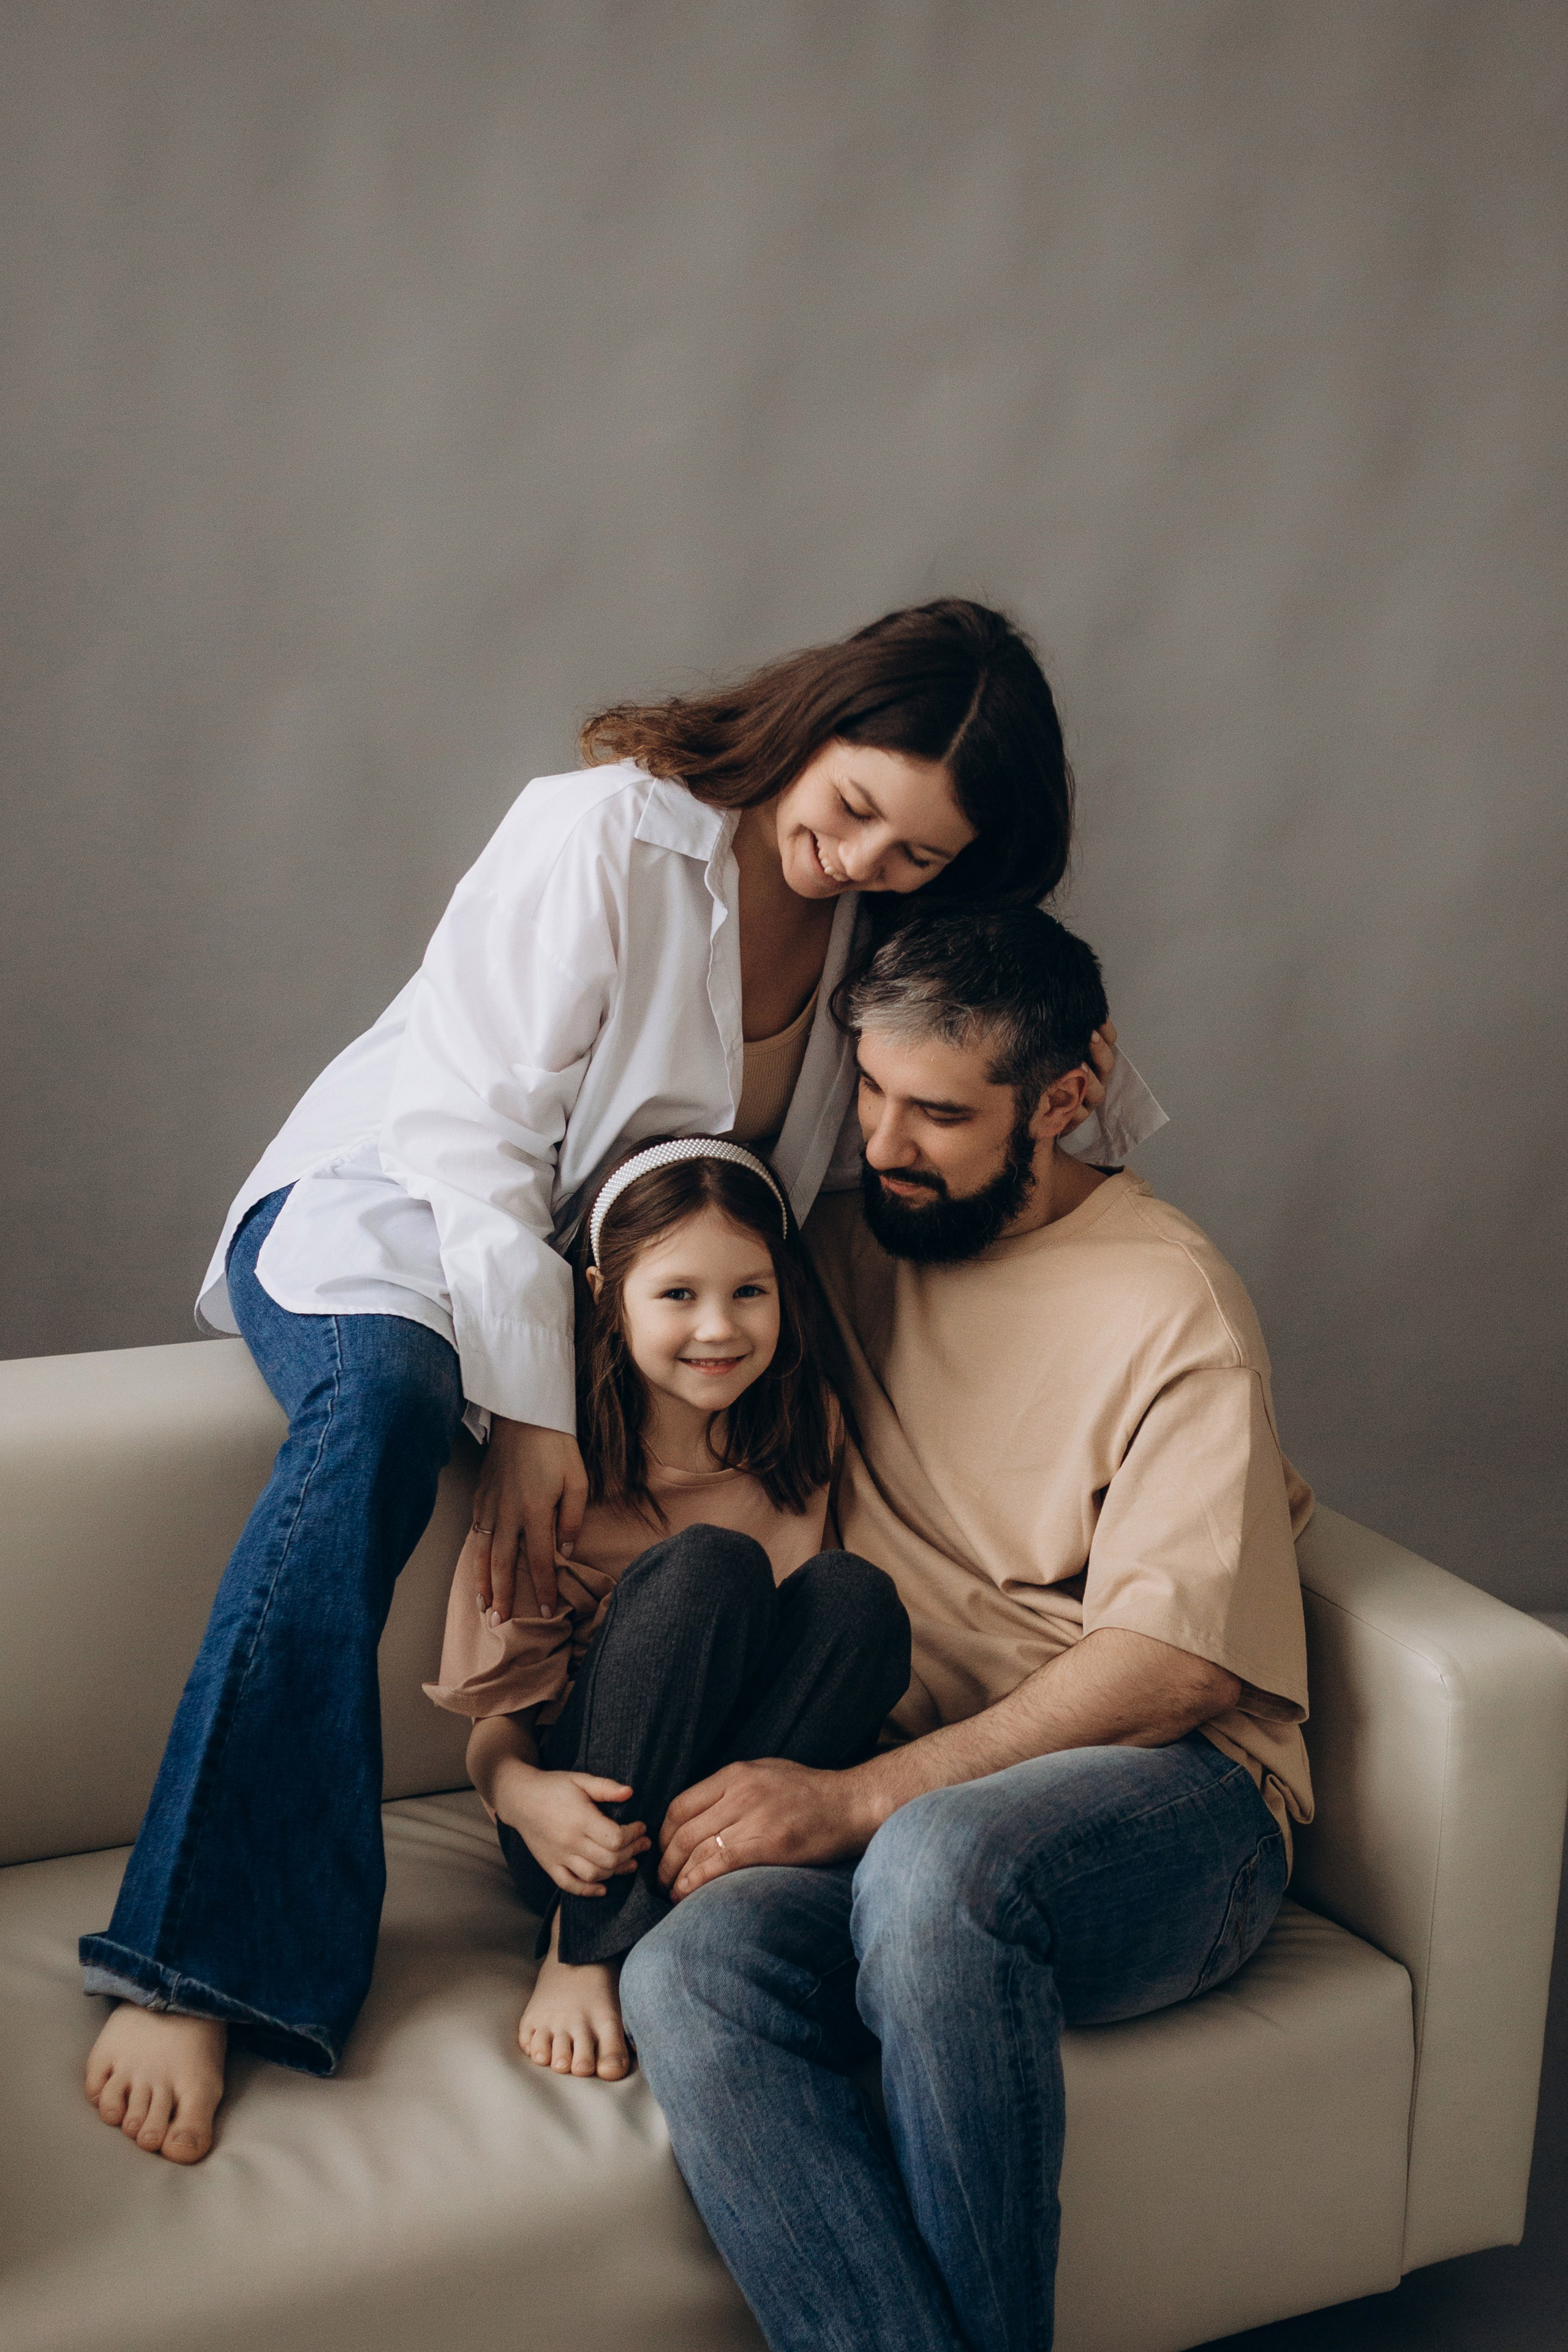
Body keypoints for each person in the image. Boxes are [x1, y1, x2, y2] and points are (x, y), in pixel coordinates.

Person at [82, 598, 1161, 2164]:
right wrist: (529, 1412)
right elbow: (470, 1135)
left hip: (629, 1306)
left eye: (915, 856)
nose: (860, 862)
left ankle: (649, 1915)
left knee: (796, 1594)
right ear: (813, 722)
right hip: (401, 1222)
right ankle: (194, 1967)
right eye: (853, 809)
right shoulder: (604, 836)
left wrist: (1094, 1104)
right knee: (380, 1408)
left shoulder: (884, 934)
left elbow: (1016, 1052)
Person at [618, 905, 1313, 2352]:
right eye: (867, 1091)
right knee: (689, 1968)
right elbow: (637, 1295)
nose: (879, 1142)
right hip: (914, 1819)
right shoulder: (847, 1234)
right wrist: (520, 1441)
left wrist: (857, 1795)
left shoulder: (1168, 1296)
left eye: (937, 1112)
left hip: (1172, 1815)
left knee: (938, 1858)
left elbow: (1179, 1665)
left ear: (1065, 1099)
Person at [425, 1137, 910, 2082]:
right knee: (709, 1571)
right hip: (577, 1825)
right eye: (678, 1295)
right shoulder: (554, 1470)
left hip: (735, 1800)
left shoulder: (805, 1421)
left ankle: (665, 1917)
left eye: (749, 1292)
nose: (718, 1329)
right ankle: (586, 1944)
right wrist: (529, 1801)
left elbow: (823, 1646)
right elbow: (497, 1734)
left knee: (860, 1599)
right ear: (607, 1293)